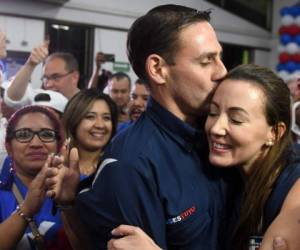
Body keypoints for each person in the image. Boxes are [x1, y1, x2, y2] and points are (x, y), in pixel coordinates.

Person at [43, 5, 296, 250]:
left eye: (220, 57)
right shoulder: (132, 165)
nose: (222, 71)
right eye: (207, 60)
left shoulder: (221, 145)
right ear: (158, 69)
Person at [107, 64, 300, 250]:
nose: (216, 128)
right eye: (213, 113)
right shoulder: (230, 179)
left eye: (236, 119)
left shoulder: (294, 189)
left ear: (274, 132)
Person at [0, 105, 71, 249]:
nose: (36, 144)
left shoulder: (77, 185)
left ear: (59, 145)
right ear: (8, 147)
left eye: (46, 134)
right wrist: (26, 209)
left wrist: (70, 207)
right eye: (23, 135)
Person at [4, 43, 80, 110]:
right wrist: (30, 64)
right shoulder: (41, 98)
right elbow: (12, 99)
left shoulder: (87, 104)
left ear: (74, 77)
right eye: (46, 78)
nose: (48, 84)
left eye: (56, 77)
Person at [62, 89, 118, 176]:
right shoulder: (57, 167)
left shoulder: (118, 168)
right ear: (73, 121)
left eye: (106, 118)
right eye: (90, 117)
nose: (100, 125)